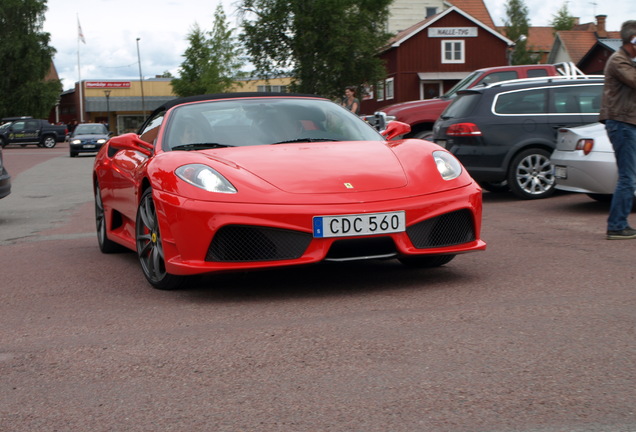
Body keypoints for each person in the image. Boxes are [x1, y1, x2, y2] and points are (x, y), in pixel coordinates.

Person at [599, 20, 636, 240]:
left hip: (626, 123)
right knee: (627, 178)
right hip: (621, 124)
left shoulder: (626, 61)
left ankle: (618, 223)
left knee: (628, 177)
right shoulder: (619, 61)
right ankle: (616, 225)